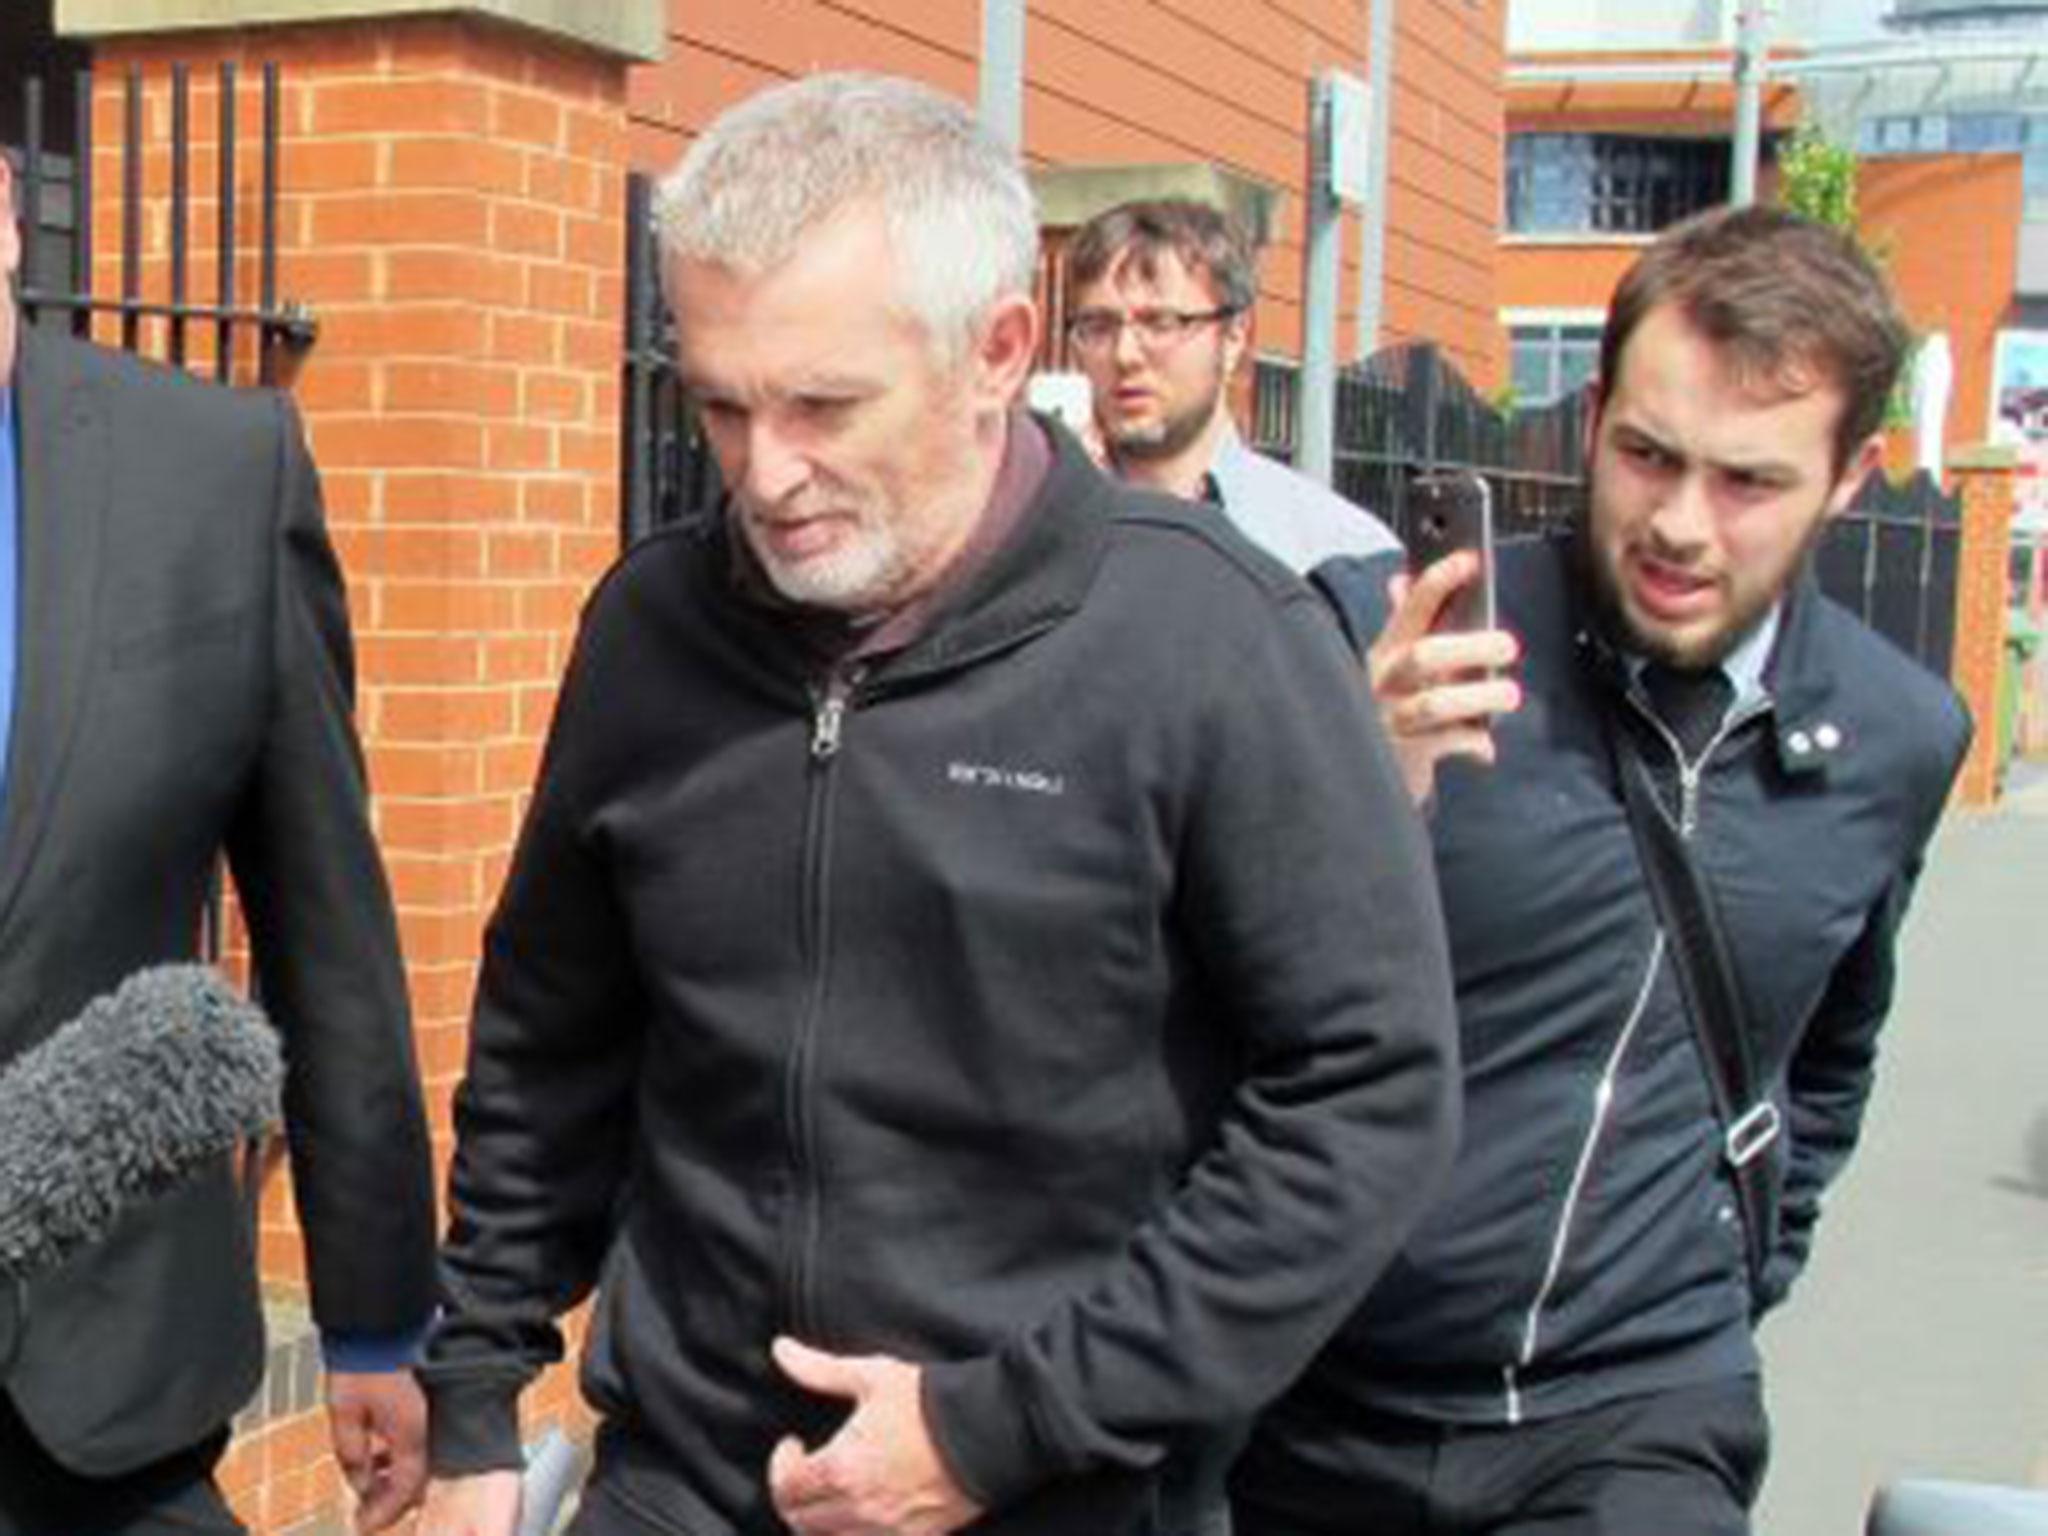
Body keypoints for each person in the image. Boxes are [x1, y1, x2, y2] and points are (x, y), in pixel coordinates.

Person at [414, 73, 1458, 1536]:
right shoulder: (652, 634)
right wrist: (474, 1390)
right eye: (719, 404)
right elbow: (547, 1047)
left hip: (1055, 1489)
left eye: (826, 405)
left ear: (998, 350)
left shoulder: (1215, 643)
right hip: (684, 1482)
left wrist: (1002, 1422)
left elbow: (1367, 1098)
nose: (764, 473)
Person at [1231, 205, 1972, 1535]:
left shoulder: (1899, 735)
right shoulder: (1381, 631)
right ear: (1589, 426)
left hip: (1636, 1409)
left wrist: (1729, 1266)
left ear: (1851, 477)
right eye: (1647, 456)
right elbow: (1185, 981)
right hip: (1308, 1395)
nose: (1682, 524)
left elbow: (1828, 1062)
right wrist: (1354, 772)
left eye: (1749, 482)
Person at [0, 148, 437, 1534]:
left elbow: (327, 931)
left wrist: (373, 1320)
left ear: (6, 207)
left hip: (107, 1391)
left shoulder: (214, 470)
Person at [1064, 198, 1396, 573]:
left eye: (1161, 323)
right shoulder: (1036, 534)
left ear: (1235, 336)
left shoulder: (1334, 555)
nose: (1124, 355)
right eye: (1098, 326)